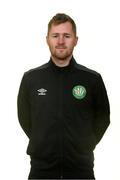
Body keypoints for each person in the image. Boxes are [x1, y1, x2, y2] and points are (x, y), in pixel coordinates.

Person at [17, 13, 110, 179]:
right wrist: (42, 141)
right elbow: (24, 118)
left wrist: (85, 144)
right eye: (55, 36)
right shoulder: (31, 79)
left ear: (76, 40)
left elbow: (103, 118)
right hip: (41, 171)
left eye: (67, 36)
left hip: (81, 170)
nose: (60, 41)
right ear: (47, 39)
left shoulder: (92, 79)